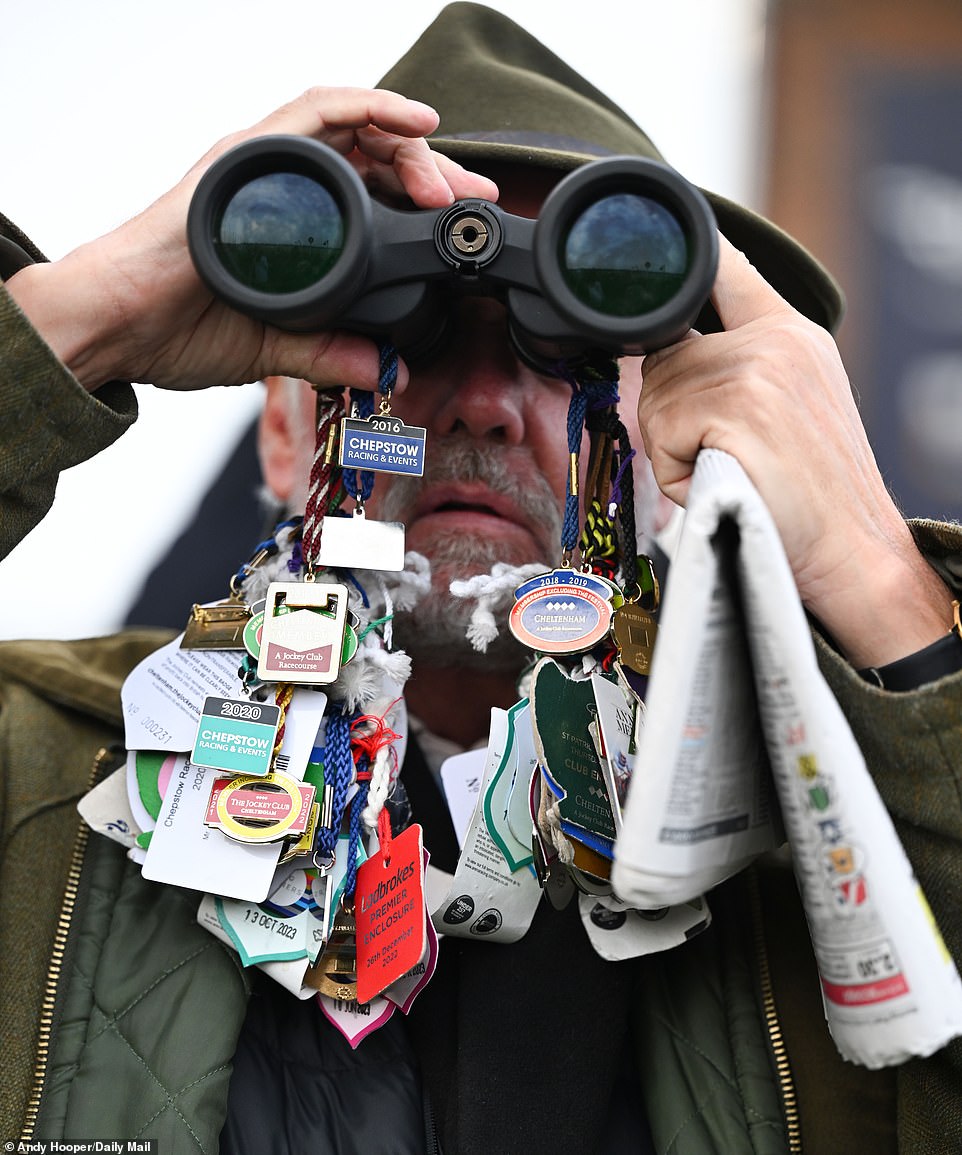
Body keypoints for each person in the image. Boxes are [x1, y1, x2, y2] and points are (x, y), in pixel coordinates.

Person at [2, 4, 962, 1152]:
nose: (478, 403)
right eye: (390, 329)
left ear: (676, 453)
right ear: (275, 429)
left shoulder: (828, 827)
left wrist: (879, 580)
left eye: (562, 351)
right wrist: (71, 332)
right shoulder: (44, 782)